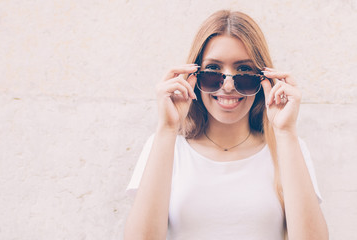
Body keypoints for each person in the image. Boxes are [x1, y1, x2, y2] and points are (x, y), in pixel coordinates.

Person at [124, 10, 328, 240]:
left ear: (263, 77)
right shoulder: (166, 145)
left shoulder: (288, 146)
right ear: (193, 76)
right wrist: (167, 129)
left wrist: (285, 132)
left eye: (244, 71)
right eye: (213, 71)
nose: (228, 85)